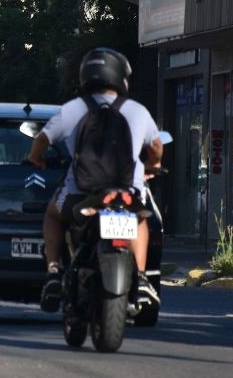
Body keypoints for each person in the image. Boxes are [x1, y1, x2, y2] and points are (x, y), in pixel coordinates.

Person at [27, 47, 164, 313]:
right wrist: (154, 165)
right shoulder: (136, 110)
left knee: (53, 215)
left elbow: (41, 140)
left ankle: (54, 270)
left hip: (82, 194)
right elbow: (157, 145)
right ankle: (143, 277)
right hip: (127, 193)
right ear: (121, 76)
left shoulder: (73, 109)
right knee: (140, 219)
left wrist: (36, 158)